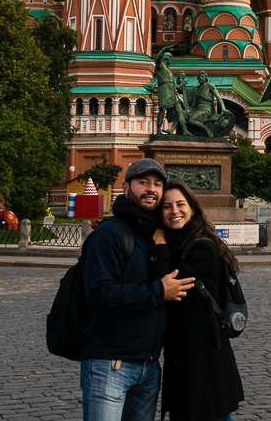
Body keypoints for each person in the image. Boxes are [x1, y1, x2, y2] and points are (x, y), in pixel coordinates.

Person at [80, 158, 195, 421]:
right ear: (126, 187)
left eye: (157, 183)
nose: (151, 189)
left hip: (149, 366)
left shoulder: (155, 234)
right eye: (143, 182)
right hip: (109, 363)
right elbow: (98, 293)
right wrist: (158, 292)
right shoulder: (110, 233)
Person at [149, 181, 245, 421]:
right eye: (167, 206)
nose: (174, 211)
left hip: (205, 358)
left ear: (192, 208)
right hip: (184, 355)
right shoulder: (180, 243)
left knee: (207, 412)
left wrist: (159, 244)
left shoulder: (202, 247)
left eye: (180, 204)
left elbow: (168, 282)